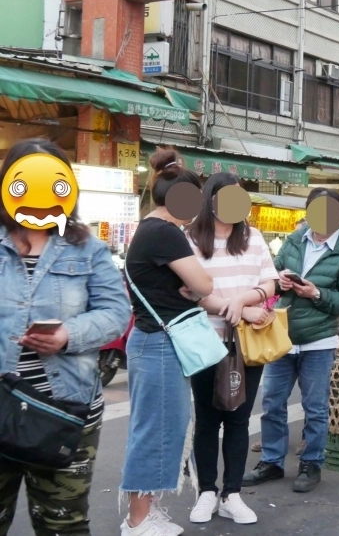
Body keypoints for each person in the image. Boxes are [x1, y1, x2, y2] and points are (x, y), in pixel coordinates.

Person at [0, 139, 131, 536]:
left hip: (65, 413)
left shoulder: (87, 249)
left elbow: (117, 312)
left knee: (64, 525)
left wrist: (67, 335)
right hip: (2, 407)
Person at [243, 189, 339, 493]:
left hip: (319, 341)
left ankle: (311, 464)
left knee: (315, 407)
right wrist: (280, 281)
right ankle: (271, 461)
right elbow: (270, 275)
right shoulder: (294, 240)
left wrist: (317, 294)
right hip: (281, 336)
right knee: (271, 403)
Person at [122, 148, 215, 536]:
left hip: (152, 342)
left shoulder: (151, 229)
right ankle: (138, 519)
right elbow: (205, 284)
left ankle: (146, 513)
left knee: (159, 428)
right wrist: (195, 290)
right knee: (155, 432)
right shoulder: (164, 233)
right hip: (158, 344)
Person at [186, 173, 279, 525]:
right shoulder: (191, 240)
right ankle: (207, 492)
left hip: (246, 344)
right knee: (207, 419)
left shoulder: (253, 238)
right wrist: (236, 309)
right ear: (211, 200)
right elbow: (191, 291)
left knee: (239, 419)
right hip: (205, 342)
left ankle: (232, 494)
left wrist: (245, 299)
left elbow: (269, 282)